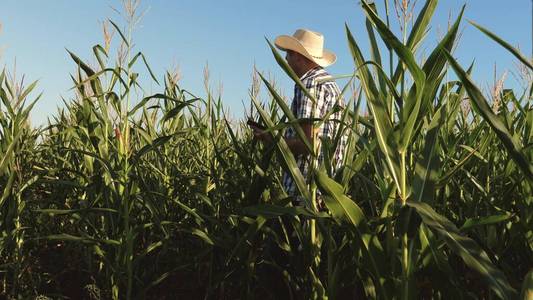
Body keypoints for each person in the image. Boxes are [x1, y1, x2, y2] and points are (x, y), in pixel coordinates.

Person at [251, 28, 347, 208]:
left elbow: (308, 144)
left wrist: (269, 138)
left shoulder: (309, 84)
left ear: (297, 55)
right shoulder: (331, 84)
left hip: (306, 194)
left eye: (287, 54)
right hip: (329, 195)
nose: (286, 60)